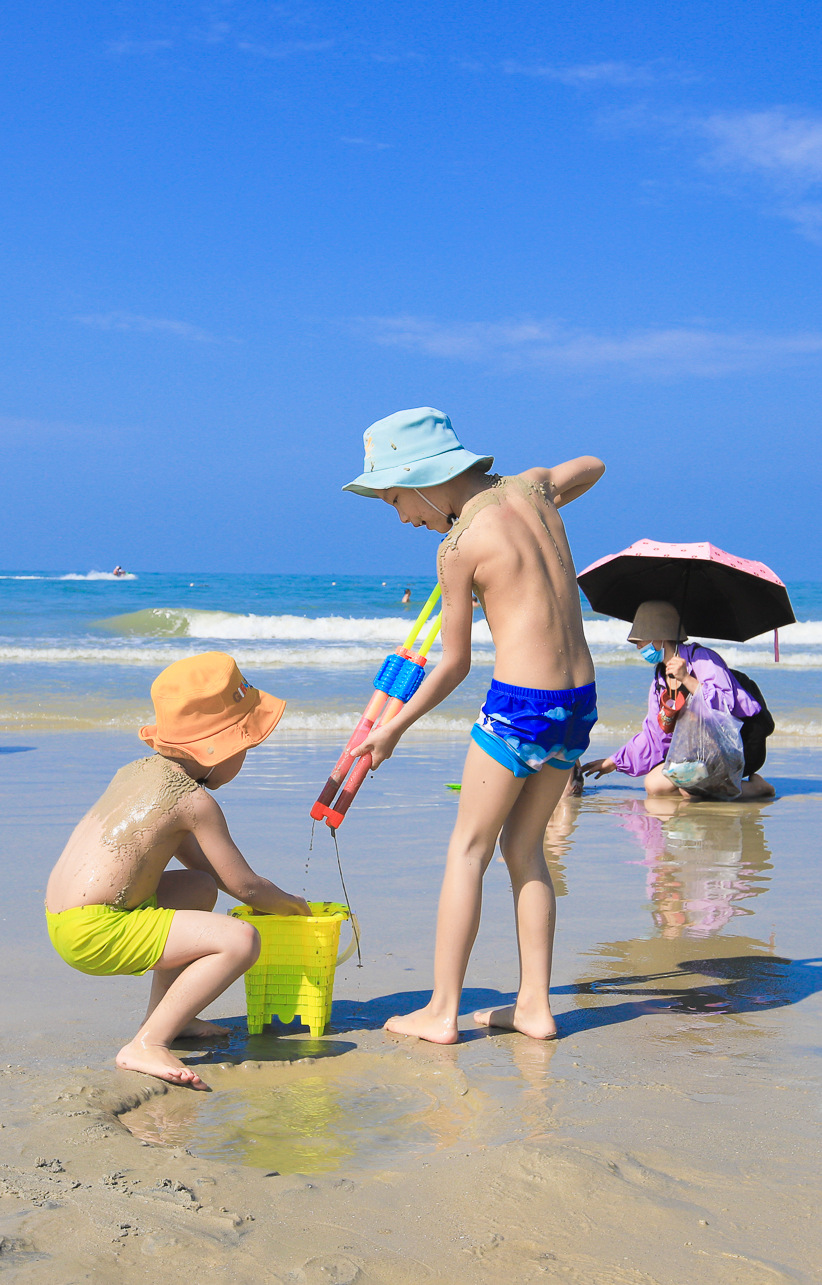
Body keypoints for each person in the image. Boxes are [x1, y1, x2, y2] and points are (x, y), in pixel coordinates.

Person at [342, 407, 603, 1043]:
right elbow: (593, 464)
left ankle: (441, 1012)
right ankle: (535, 1007)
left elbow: (454, 663)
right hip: (579, 703)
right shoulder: (534, 487)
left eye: (396, 498)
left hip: (520, 706)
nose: (403, 515)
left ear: (425, 478)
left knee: (468, 851)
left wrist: (392, 728)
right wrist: (543, 490)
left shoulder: (457, 548)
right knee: (525, 849)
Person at [43, 652, 308, 1088]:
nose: (246, 758)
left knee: (199, 889)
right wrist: (293, 906)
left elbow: (216, 878)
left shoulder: (138, 772)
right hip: (94, 931)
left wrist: (252, 894)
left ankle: (171, 1018)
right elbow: (243, 884)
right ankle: (147, 1042)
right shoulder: (194, 802)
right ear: (218, 748)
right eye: (246, 747)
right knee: (241, 941)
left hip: (64, 916)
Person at [574, 600, 777, 800]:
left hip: (740, 743)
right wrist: (615, 762)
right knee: (654, 785)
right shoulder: (660, 680)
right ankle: (710, 788)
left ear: (659, 637)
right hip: (699, 750)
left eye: (640, 641)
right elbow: (656, 735)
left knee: (690, 789)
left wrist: (687, 679)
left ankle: (758, 788)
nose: (638, 647)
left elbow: (726, 705)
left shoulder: (703, 658)